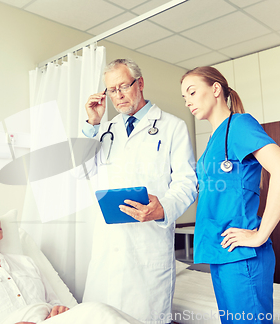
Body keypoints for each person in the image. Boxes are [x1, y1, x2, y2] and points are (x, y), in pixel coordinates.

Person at [81, 58, 198, 323]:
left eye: (123, 86)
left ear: (140, 83)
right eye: (111, 90)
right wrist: (92, 124)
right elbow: (82, 173)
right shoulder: (104, 130)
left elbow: (187, 182)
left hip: (149, 243)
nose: (118, 95)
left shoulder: (172, 126)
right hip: (109, 245)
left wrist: (163, 208)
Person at [180, 66, 280, 324]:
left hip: (243, 254)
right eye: (183, 97)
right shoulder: (213, 139)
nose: (187, 101)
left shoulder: (240, 125)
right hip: (220, 251)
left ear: (216, 89)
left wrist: (260, 235)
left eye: (192, 91)